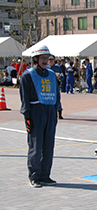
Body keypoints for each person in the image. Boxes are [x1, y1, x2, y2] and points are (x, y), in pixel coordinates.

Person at [19, 45, 61, 188]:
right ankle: (34, 176)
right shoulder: (27, 75)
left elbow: (57, 94)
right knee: (36, 146)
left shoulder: (51, 75)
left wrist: (57, 111)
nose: (45, 60)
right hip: (36, 111)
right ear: (35, 59)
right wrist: (27, 116)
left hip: (50, 110)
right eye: (43, 58)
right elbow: (24, 99)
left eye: (47, 58)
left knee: (48, 146)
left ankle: (45, 175)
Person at [47, 55, 64, 119]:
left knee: (57, 98)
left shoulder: (58, 68)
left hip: (56, 85)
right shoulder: (46, 68)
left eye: (52, 60)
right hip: (48, 86)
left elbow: (62, 76)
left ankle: (59, 113)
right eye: (50, 60)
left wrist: (59, 77)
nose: (51, 61)